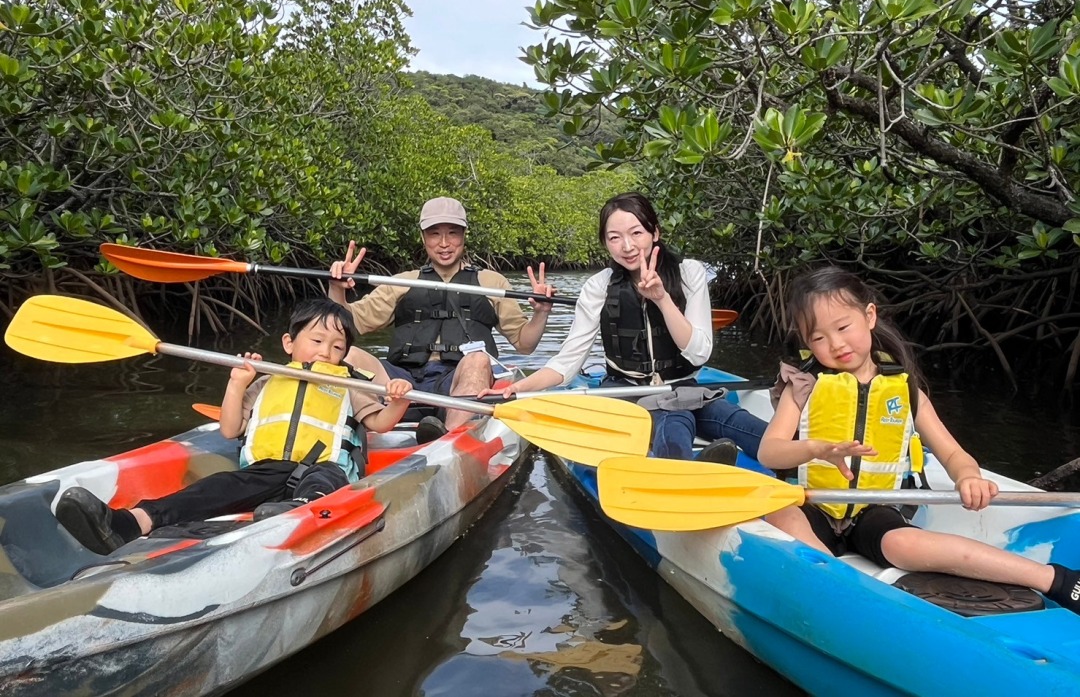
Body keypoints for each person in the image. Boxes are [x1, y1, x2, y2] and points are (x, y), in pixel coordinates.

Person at [756, 266, 1080, 613]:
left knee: (905, 543)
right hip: (814, 502)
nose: (835, 344)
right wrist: (816, 448)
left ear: (869, 316)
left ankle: (1057, 580)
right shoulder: (802, 387)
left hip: (873, 510)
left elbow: (954, 454)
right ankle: (836, 582)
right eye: (818, 338)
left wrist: (968, 476)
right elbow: (769, 452)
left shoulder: (906, 391)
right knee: (781, 510)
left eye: (842, 327)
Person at [54, 299, 413, 556]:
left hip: (325, 470)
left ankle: (300, 514)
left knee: (322, 480)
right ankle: (129, 523)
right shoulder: (266, 381)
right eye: (316, 341)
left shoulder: (349, 383)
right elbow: (230, 429)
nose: (326, 352)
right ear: (289, 344)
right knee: (216, 487)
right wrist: (237, 383)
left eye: (337, 347)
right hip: (267, 469)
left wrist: (398, 400)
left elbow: (378, 422)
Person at [485, 191, 766, 463]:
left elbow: (699, 354)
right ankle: (682, 471)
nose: (627, 246)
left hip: (684, 390)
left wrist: (662, 299)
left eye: (636, 233)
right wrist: (519, 387)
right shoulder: (598, 286)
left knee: (748, 428)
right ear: (605, 243)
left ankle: (780, 463)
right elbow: (567, 363)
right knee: (674, 424)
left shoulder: (689, 273)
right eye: (614, 238)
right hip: (625, 393)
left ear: (654, 233)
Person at [329, 196, 554, 432]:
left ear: (464, 235)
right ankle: (370, 424)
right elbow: (344, 326)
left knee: (478, 358)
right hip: (401, 380)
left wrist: (541, 313)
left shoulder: (491, 282)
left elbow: (524, 344)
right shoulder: (402, 282)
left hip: (458, 379)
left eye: (453, 233)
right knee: (350, 354)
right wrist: (337, 289)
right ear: (423, 237)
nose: (444, 243)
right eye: (435, 233)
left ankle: (450, 435)